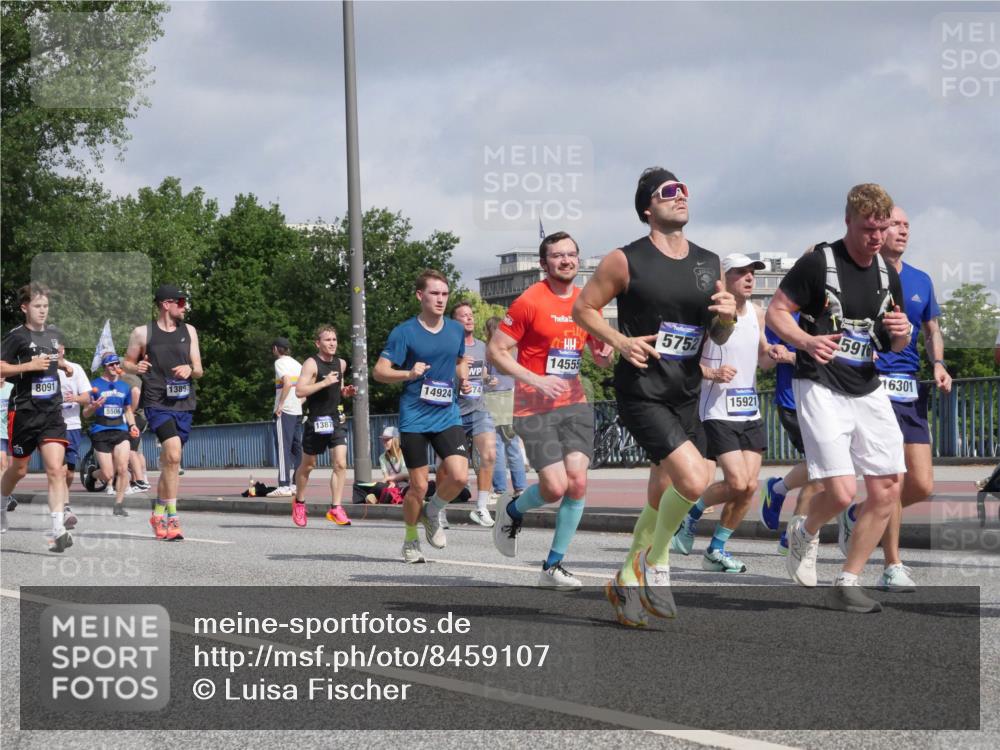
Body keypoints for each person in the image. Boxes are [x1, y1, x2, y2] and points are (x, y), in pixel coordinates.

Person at [573, 167, 736, 626]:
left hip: (686, 389)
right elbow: (583, 308)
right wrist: (619, 340)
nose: (680, 196)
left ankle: (627, 577)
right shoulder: (625, 260)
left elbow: (718, 334)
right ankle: (654, 560)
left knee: (667, 490)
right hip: (642, 388)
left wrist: (728, 317)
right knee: (695, 479)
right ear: (648, 207)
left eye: (684, 189)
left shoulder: (709, 262)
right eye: (668, 191)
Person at [766, 183, 911, 613]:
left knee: (888, 487)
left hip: (866, 384)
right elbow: (776, 311)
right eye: (868, 228)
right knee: (843, 491)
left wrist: (902, 335)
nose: (877, 237)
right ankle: (805, 530)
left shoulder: (887, 274)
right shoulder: (818, 263)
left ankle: (847, 581)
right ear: (848, 221)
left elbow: (893, 343)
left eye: (883, 228)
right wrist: (805, 341)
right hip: (819, 382)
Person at [834, 206, 952, 591]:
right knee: (893, 479)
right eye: (895, 224)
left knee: (922, 484)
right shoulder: (860, 275)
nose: (902, 231)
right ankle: (892, 563)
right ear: (879, 230)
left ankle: (860, 513)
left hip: (909, 387)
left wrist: (938, 364)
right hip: (872, 385)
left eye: (906, 225)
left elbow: (932, 329)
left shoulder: (920, 279)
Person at [489, 231, 615, 590]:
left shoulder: (587, 302)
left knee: (577, 481)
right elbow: (496, 351)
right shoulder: (529, 301)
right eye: (557, 256)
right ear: (544, 264)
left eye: (571, 254)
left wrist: (605, 354)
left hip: (574, 404)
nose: (566, 260)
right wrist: (536, 380)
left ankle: (553, 565)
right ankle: (511, 510)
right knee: (555, 487)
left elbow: (601, 358)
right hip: (533, 407)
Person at [670, 254, 783, 573]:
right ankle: (691, 515)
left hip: (749, 409)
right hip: (716, 409)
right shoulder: (709, 313)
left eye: (752, 273)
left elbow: (763, 358)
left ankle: (716, 550)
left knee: (749, 487)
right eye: (740, 272)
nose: (749, 278)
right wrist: (712, 373)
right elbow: (682, 361)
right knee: (736, 482)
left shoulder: (758, 314)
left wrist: (775, 353)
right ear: (723, 278)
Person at [373, 269, 470, 564]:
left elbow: (460, 360)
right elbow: (379, 371)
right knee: (418, 486)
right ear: (420, 295)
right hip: (415, 416)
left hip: (447, 413)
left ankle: (433, 510)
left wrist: (463, 378)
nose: (441, 299)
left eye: (445, 294)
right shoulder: (404, 332)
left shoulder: (455, 330)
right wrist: (408, 373)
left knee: (459, 476)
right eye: (434, 293)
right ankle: (410, 540)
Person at [124, 283, 203, 542]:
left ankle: (158, 512)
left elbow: (199, 369)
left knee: (172, 462)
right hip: (157, 402)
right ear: (166, 304)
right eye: (180, 302)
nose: (185, 307)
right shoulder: (142, 333)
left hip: (184, 402)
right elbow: (127, 362)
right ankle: (173, 517)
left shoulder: (189, 331)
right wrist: (137, 367)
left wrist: (190, 370)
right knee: (173, 453)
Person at [0, 283, 76, 552]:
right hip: (24, 412)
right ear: (25, 308)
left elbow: (52, 359)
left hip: (51, 411)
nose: (43, 311)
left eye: (46, 306)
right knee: (18, 470)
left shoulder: (54, 334)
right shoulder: (16, 337)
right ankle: (1, 504)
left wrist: (63, 365)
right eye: (37, 306)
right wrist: (29, 366)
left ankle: (58, 530)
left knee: (56, 469)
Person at [759, 307, 824, 555]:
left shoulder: (834, 313)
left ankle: (777, 490)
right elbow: (764, 363)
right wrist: (774, 352)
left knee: (825, 470)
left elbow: (831, 360)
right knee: (821, 470)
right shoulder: (782, 316)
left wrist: (794, 357)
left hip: (827, 402)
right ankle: (793, 539)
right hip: (794, 404)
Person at [291, 325, 357, 527]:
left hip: (336, 419)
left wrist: (345, 392)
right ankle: (299, 502)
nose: (332, 343)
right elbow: (299, 392)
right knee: (308, 465)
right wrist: (323, 383)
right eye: (327, 340)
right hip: (316, 420)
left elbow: (338, 388)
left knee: (340, 463)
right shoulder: (311, 364)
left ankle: (335, 508)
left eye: (334, 339)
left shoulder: (341, 363)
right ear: (318, 343)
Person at [452, 301, 498, 527]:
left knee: (489, 454)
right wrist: (458, 372)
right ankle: (438, 510)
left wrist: (489, 379)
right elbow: (438, 375)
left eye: (470, 315)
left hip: (479, 409)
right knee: (452, 469)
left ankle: (481, 507)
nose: (469, 318)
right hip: (454, 412)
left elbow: (484, 373)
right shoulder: (449, 347)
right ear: (454, 322)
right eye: (463, 315)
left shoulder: (482, 347)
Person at [84, 353, 139, 516]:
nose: (115, 367)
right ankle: (92, 474)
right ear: (104, 367)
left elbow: (128, 410)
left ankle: (118, 505)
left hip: (120, 430)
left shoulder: (124, 386)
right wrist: (93, 407)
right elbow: (85, 414)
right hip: (101, 430)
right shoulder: (94, 385)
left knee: (122, 468)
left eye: (117, 364)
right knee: (108, 474)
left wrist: (132, 425)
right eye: (111, 364)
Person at [484, 316, 527, 504]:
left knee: (499, 445)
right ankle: (520, 488)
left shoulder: (490, 351)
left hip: (496, 398)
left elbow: (483, 374)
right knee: (512, 444)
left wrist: (487, 379)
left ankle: (501, 489)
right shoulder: (515, 350)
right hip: (511, 397)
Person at [57, 344, 91, 523]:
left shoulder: (75, 368)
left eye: (58, 347)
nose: (56, 350)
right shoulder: (43, 369)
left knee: (69, 473)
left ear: (63, 349)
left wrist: (74, 398)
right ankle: (64, 507)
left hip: (72, 425)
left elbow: (87, 397)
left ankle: (62, 498)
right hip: (52, 425)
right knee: (60, 470)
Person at [269, 337, 303, 498]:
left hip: (286, 411)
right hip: (297, 410)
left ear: (276, 348)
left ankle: (283, 485)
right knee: (297, 448)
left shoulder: (280, 363)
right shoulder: (298, 364)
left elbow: (287, 383)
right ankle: (296, 484)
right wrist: (300, 401)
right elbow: (305, 387)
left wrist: (280, 405)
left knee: (283, 448)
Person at [119, 370, 151, 493]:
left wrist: (130, 412)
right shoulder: (137, 377)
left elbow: (136, 392)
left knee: (131, 451)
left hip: (135, 418)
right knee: (138, 451)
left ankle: (139, 481)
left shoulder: (126, 378)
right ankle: (143, 480)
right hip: (142, 417)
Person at [0, 376, 9, 533]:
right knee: (2, 465)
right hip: (0, 434)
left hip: (14, 432)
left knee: (13, 471)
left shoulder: (12, 388)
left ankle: (5, 497)